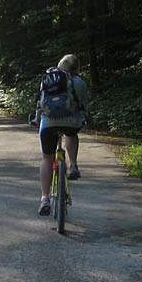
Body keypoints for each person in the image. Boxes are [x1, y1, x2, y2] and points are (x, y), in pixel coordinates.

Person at [33, 54, 88, 216]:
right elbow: (82, 105)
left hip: (49, 122)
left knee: (47, 158)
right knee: (71, 134)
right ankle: (73, 165)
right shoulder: (79, 82)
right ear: (76, 67)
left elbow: (40, 102)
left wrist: (36, 120)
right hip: (71, 121)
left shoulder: (50, 78)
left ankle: (44, 198)